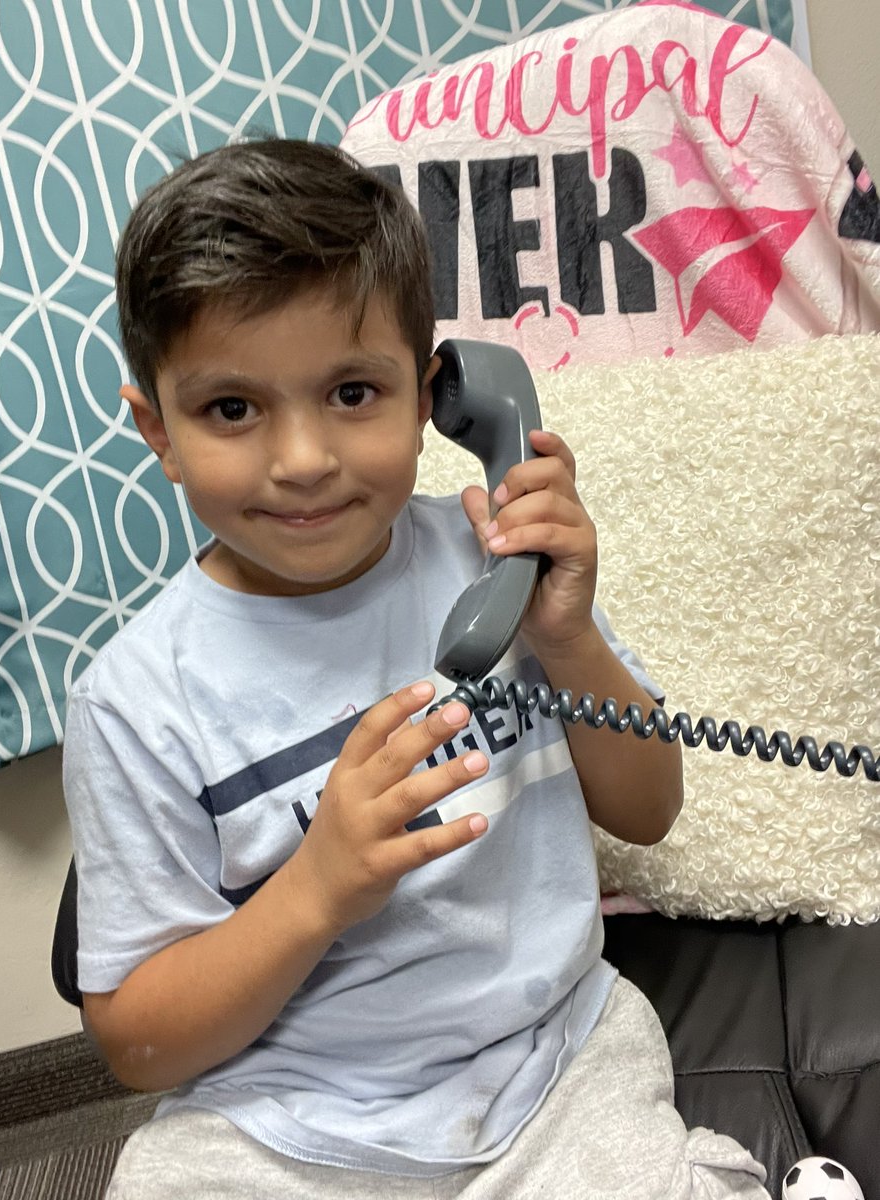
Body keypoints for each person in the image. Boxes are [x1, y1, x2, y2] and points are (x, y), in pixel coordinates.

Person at [62, 137, 767, 1200]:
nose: (302, 459)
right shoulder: (135, 704)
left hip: (547, 1067)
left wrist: (567, 635)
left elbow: (650, 809)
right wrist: (316, 890)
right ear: (156, 430)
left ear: (438, 394)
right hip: (289, 1124)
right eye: (232, 409)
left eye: (352, 392)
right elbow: (138, 1044)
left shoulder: (494, 560)